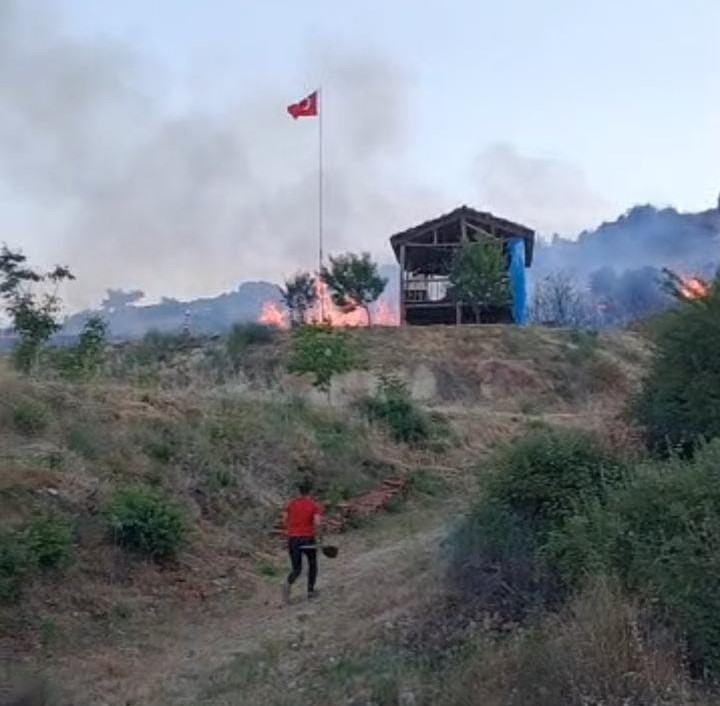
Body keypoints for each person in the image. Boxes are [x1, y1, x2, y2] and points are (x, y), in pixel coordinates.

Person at [281, 478, 323, 603]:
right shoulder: (314, 505)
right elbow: (317, 523)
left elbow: (283, 520)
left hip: (293, 539)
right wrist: (319, 537)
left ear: (298, 491)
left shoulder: (291, 504)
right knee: (312, 564)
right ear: (310, 491)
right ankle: (310, 592)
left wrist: (291, 529)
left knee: (296, 569)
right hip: (308, 539)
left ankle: (286, 590)